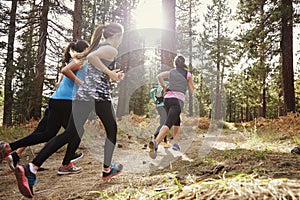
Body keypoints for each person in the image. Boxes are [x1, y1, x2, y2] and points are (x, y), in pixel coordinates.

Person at [14, 22, 125, 198]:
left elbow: (92, 65)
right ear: (117, 35)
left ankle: (32, 168)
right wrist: (110, 73)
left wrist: (112, 75)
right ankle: (107, 169)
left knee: (69, 133)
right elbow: (93, 58)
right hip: (99, 97)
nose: (121, 41)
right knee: (111, 131)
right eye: (121, 37)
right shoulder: (110, 49)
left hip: (83, 96)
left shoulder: (98, 46)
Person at [0, 40, 89, 171]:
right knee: (76, 132)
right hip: (66, 101)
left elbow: (63, 77)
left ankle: (10, 147)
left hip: (57, 100)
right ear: (84, 49)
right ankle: (66, 164)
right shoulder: (80, 61)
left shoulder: (76, 61)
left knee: (49, 133)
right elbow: (65, 71)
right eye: (88, 48)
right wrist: (81, 83)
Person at [149, 55, 194, 159]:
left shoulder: (171, 72)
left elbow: (159, 76)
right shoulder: (187, 74)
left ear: (175, 63)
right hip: (177, 101)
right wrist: (188, 84)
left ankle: (175, 143)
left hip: (167, 100)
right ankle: (155, 143)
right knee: (168, 123)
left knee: (176, 121)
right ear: (183, 63)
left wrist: (165, 87)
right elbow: (192, 89)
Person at [150, 82, 171, 148]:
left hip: (158, 106)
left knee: (164, 123)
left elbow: (151, 91)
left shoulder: (159, 85)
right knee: (165, 124)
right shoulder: (166, 84)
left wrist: (155, 99)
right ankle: (155, 135)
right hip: (164, 106)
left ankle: (165, 142)